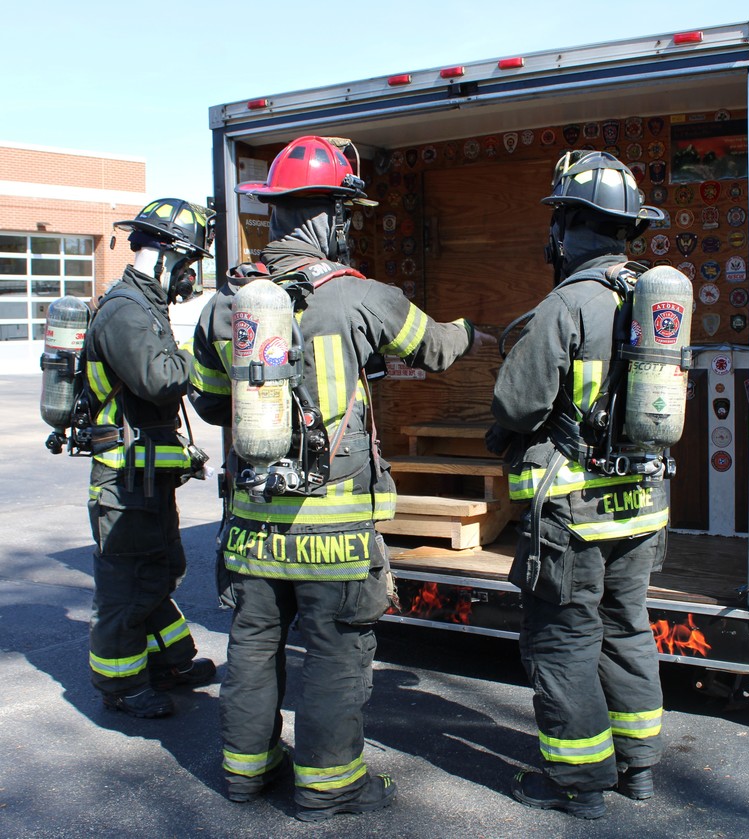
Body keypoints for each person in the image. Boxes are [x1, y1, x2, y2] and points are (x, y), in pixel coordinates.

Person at [188, 135, 489, 822]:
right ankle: (329, 789)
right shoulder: (360, 297)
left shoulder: (224, 305)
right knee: (334, 655)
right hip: (334, 529)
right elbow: (435, 347)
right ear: (329, 218)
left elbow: (206, 401)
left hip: (252, 526)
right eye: (345, 214)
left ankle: (245, 775)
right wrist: (471, 330)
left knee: (254, 648)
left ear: (275, 213)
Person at [489, 151, 670, 819]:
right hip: (641, 506)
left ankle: (580, 781)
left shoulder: (568, 304)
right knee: (626, 627)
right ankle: (638, 766)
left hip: (575, 511)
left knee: (564, 638)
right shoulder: (647, 300)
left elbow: (517, 403)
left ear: (566, 227)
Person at [84, 198, 217, 718]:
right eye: (187, 264)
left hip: (145, 479)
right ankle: (120, 684)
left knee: (160, 571)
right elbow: (159, 378)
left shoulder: (145, 308)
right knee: (127, 584)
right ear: (163, 255)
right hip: (121, 482)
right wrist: (200, 354)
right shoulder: (124, 311)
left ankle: (170, 662)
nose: (189, 276)